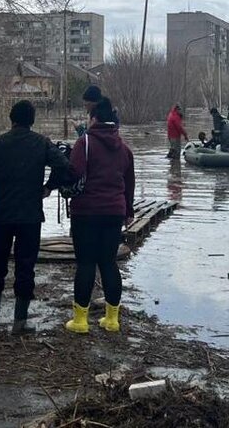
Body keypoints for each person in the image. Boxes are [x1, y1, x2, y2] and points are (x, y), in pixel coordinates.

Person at [0, 100, 69, 336]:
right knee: (25, 266)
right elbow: (64, 166)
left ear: (11, 120)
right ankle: (19, 322)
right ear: (32, 121)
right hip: (30, 215)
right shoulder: (42, 143)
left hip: (0, 214)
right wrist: (49, 187)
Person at [65, 98, 135, 334]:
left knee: (85, 264)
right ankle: (112, 320)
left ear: (93, 118)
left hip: (86, 212)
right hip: (114, 212)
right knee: (108, 263)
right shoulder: (124, 148)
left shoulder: (84, 143)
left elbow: (73, 174)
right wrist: (128, 212)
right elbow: (129, 183)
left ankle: (80, 321)